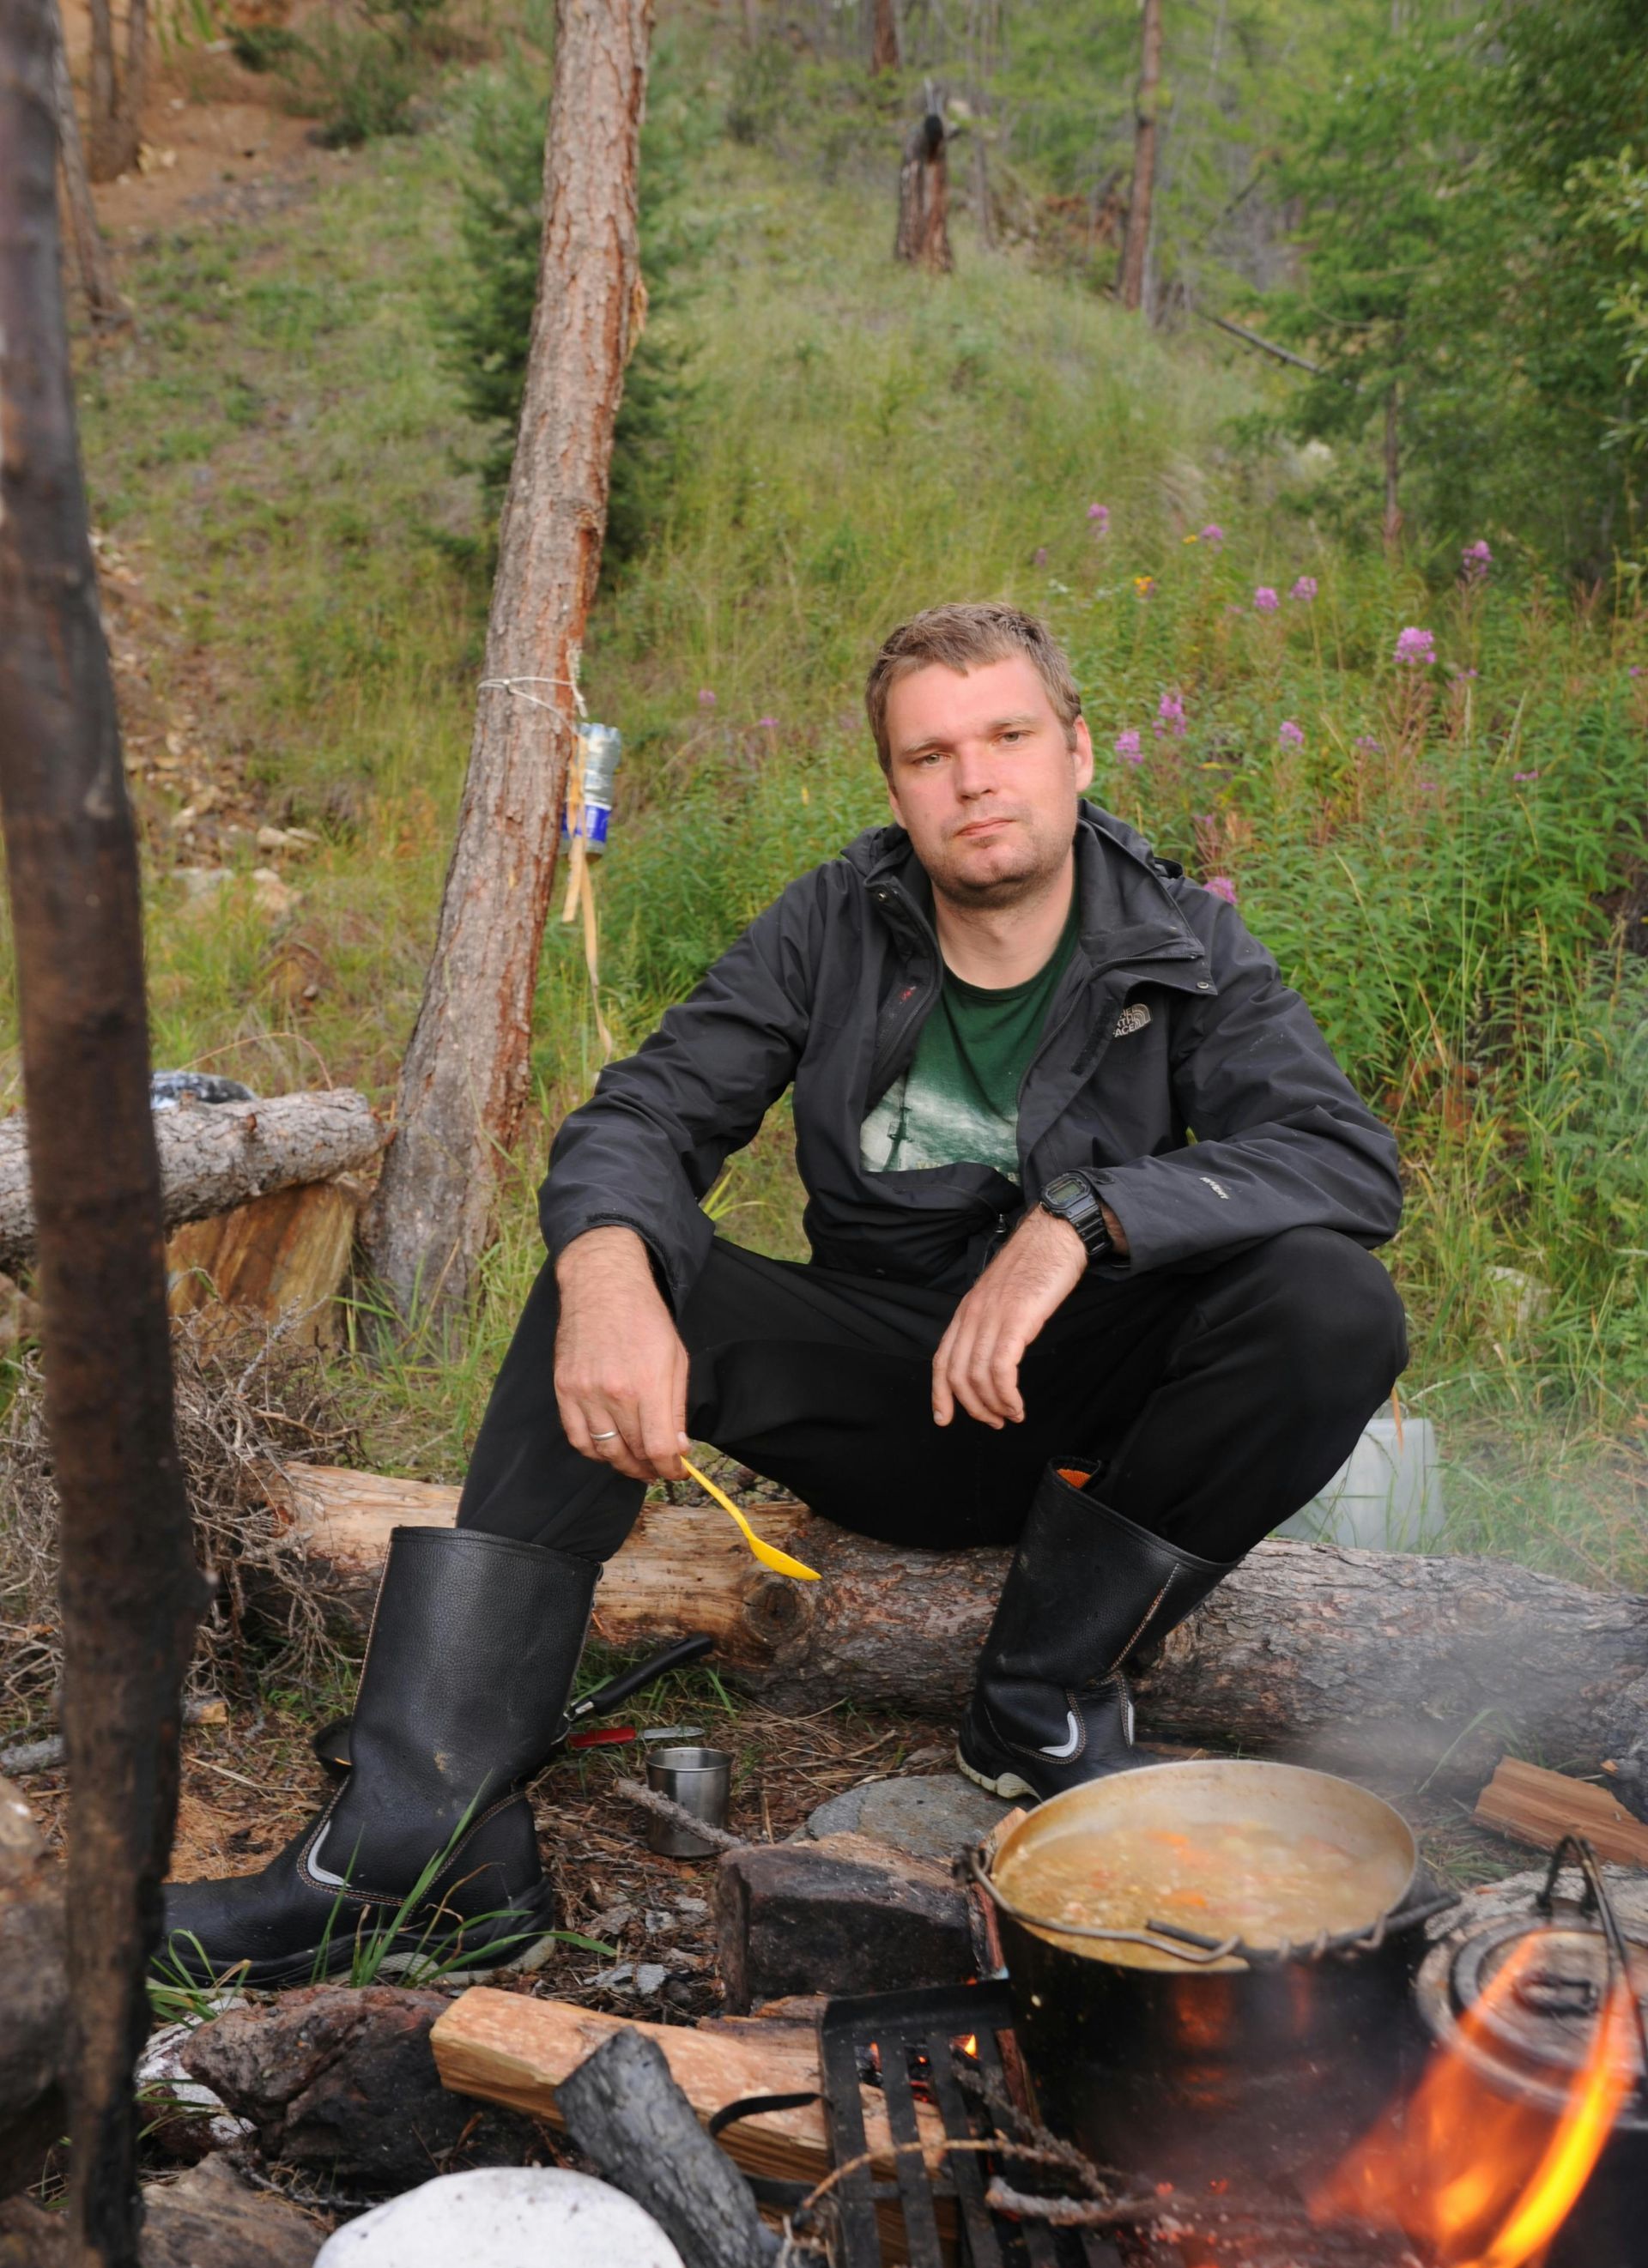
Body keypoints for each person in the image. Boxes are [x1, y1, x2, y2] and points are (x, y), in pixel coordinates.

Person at [162, 602, 1406, 1987]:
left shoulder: (1182, 944)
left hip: (1091, 1423)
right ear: (897, 786)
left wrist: (1086, 1215)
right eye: (932, 754)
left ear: (1078, 751)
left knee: (1329, 1297)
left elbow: (1342, 1161)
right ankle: (421, 1835)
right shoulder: (835, 922)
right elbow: (643, 1113)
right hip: (885, 1398)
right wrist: (608, 1268)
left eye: (1007, 736)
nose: (974, 778)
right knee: (620, 1258)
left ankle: (1045, 1698)